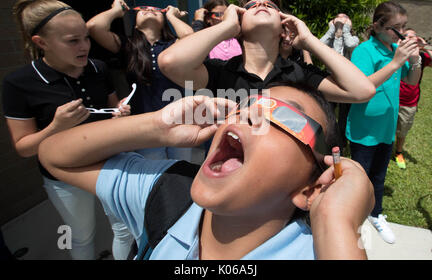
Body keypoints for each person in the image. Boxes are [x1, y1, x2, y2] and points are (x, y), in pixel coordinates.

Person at [38, 82, 374, 260]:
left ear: (310, 189)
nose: (251, 115)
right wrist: (157, 125)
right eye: (248, 105)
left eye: (285, 117)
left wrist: (335, 220)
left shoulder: (319, 251)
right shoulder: (167, 191)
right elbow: (55, 156)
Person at [2, 0, 133, 260]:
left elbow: (112, 109)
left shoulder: (98, 68)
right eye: (73, 41)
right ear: (42, 43)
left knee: (124, 230)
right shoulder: (19, 82)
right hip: (64, 175)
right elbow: (24, 148)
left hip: (109, 164)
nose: (84, 45)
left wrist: (120, 113)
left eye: (85, 37)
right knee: (82, 235)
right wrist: (56, 127)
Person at [158, 0, 375, 104]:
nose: (261, 5)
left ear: (283, 26)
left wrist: (309, 40)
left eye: (270, 6)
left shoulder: (299, 74)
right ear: (239, 26)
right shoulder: (220, 72)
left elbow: (362, 90)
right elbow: (170, 62)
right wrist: (226, 27)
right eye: (251, 6)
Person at [345, 2, 422, 244]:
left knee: (378, 176)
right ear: (378, 26)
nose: (399, 33)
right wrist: (395, 62)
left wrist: (416, 61)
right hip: (363, 129)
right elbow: (362, 86)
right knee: (358, 177)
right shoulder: (364, 51)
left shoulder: (395, 50)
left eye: (403, 27)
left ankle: (375, 214)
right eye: (394, 28)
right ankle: (351, 219)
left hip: (386, 129)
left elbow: (411, 80)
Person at [86, 0, 196, 161]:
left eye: (157, 10)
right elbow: (94, 27)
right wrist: (116, 10)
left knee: (181, 167)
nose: (150, 10)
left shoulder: (173, 45)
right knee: (153, 174)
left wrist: (172, 16)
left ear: (163, 22)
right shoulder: (127, 45)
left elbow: (188, 36)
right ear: (135, 24)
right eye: (143, 9)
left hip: (177, 120)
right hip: (144, 125)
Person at [320, 13, 360, 150]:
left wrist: (345, 30)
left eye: (345, 18)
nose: (341, 20)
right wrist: (333, 30)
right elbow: (318, 45)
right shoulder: (330, 38)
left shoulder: (354, 38)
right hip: (330, 81)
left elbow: (349, 45)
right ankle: (328, 139)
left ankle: (342, 143)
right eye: (338, 17)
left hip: (347, 82)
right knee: (328, 112)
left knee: (344, 115)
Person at [395, 28, 432, 169]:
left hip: (409, 102)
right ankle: (384, 153)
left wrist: (424, 45)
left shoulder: (420, 57)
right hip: (391, 100)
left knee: (402, 131)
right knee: (386, 129)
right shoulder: (395, 52)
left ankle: (398, 152)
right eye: (407, 36)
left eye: (413, 37)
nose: (411, 39)